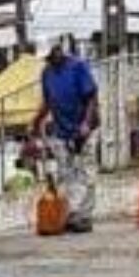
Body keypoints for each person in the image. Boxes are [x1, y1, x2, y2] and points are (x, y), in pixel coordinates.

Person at [29, 41, 100, 233]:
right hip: (62, 130)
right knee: (65, 174)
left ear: (58, 49)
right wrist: (36, 123)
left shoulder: (78, 67)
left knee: (86, 173)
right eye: (46, 58)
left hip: (84, 128)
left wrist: (86, 123)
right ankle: (68, 214)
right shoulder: (47, 73)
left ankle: (84, 217)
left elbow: (91, 97)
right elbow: (48, 102)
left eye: (51, 56)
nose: (49, 60)